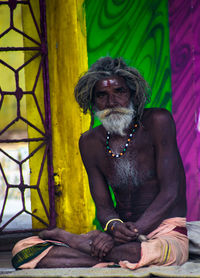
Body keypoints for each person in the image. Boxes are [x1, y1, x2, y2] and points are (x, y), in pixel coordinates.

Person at [11, 57, 188, 269]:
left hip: (164, 232)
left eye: (119, 92)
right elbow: (104, 207)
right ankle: (112, 259)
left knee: (153, 253)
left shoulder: (158, 121)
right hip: (118, 235)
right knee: (23, 250)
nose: (112, 102)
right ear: (92, 101)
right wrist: (113, 229)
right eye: (102, 95)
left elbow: (171, 192)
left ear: (132, 94)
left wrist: (130, 234)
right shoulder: (90, 142)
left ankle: (81, 245)